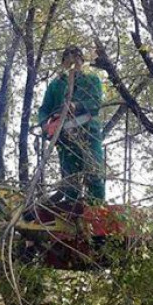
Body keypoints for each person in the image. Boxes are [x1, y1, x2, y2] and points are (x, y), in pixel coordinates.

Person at [37, 45, 105, 204]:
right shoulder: (56, 85)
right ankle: (70, 207)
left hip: (88, 132)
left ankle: (96, 208)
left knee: (93, 171)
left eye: (76, 60)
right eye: (68, 60)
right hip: (64, 136)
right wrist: (45, 125)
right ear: (63, 63)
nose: (73, 63)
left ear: (82, 61)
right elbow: (44, 109)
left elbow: (95, 103)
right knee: (69, 178)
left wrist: (77, 106)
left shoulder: (91, 80)